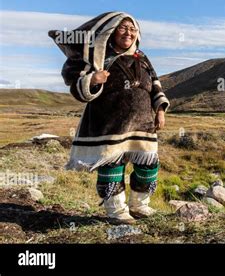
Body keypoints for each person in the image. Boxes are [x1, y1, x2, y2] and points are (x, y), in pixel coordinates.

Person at [59, 12, 169, 224]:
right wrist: (93, 79)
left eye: (132, 29)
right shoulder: (98, 57)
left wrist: (161, 109)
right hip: (109, 124)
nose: (128, 33)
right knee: (113, 167)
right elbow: (75, 86)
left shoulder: (143, 58)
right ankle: (117, 212)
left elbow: (155, 84)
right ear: (111, 32)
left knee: (148, 166)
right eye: (123, 28)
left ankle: (139, 206)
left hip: (143, 123)